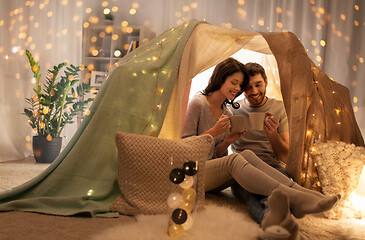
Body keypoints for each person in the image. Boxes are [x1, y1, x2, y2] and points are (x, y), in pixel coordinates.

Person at [182, 58, 339, 239]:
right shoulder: (199, 103)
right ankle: (295, 197)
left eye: (239, 84)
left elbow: (216, 154)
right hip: (193, 173)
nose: (238, 88)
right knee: (237, 159)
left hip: (228, 171)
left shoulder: (227, 111)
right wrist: (214, 131)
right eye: (235, 83)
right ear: (220, 78)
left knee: (245, 155)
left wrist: (227, 141)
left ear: (265, 83)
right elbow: (185, 148)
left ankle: (299, 196)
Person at [228, 62, 294, 226]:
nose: (254, 91)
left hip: (272, 166)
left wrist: (272, 135)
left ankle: (275, 221)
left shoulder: (279, 109)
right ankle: (272, 222)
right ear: (242, 88)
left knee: (280, 194)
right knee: (252, 194)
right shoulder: (233, 110)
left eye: (258, 85)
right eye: (248, 87)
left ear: (266, 82)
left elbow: (286, 157)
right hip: (242, 168)